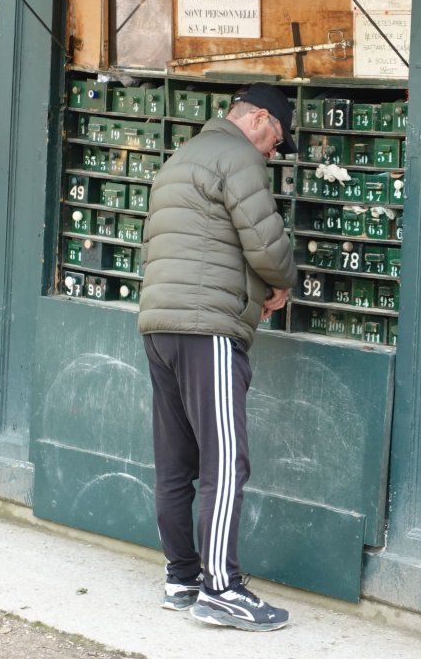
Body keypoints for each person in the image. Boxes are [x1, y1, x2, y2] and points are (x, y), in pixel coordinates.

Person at [138, 82, 297, 632]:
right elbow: (265, 240)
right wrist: (282, 284)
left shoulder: (181, 157)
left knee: (176, 461)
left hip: (159, 324)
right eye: (276, 140)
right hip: (207, 329)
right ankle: (222, 588)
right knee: (225, 461)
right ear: (255, 120)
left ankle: (182, 578)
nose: (272, 154)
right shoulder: (239, 157)